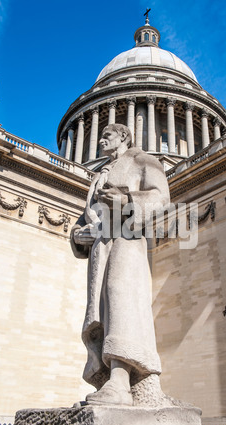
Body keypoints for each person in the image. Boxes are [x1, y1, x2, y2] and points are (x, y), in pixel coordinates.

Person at [71, 123, 170, 406]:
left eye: (107, 135)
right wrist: (80, 235)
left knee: (120, 296)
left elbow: (161, 198)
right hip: (100, 248)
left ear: (124, 136)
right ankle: (106, 379)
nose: (100, 140)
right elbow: (84, 219)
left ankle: (121, 380)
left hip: (127, 237)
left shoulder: (143, 161)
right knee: (100, 310)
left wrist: (126, 200)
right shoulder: (100, 174)